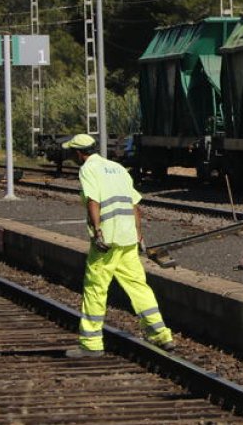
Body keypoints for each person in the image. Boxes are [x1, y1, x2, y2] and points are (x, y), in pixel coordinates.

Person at [62, 133, 174, 358]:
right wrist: (139, 236)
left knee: (95, 288)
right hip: (127, 238)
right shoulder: (117, 168)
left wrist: (98, 232)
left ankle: (91, 344)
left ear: (78, 153)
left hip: (107, 240)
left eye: (71, 153)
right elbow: (135, 205)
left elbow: (93, 201)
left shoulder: (88, 170)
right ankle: (161, 335)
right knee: (138, 286)